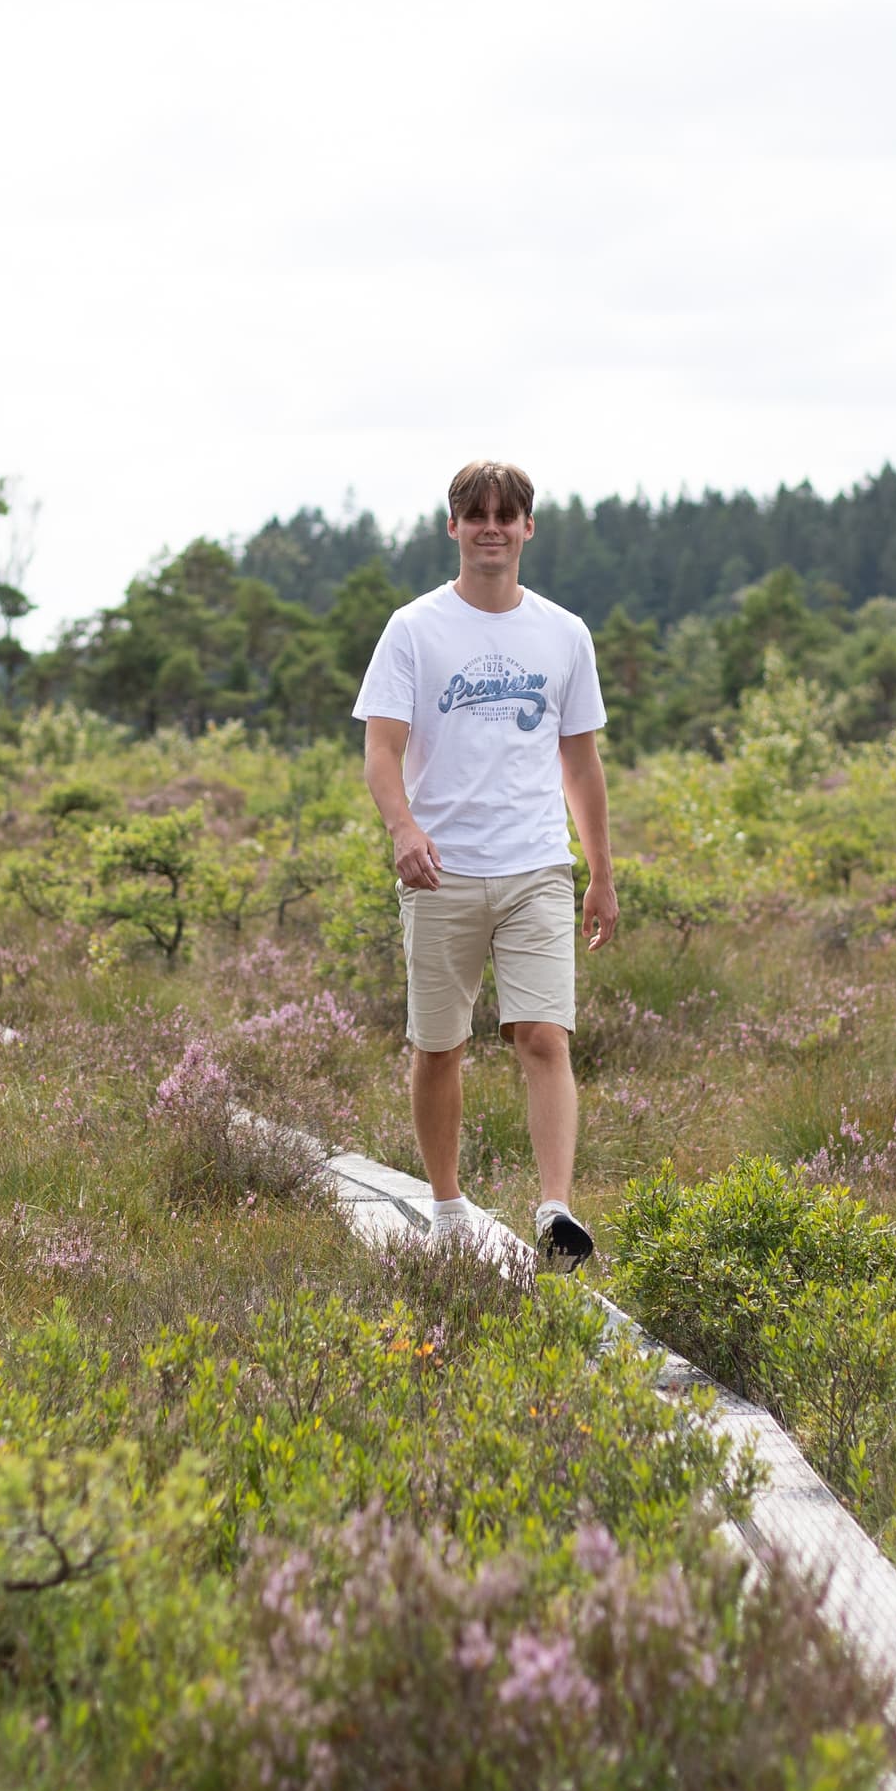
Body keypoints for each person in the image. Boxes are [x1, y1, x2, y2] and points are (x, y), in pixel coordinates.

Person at [352, 459, 617, 1262]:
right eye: (477, 516)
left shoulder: (563, 633)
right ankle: (446, 1205)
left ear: (529, 528)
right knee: (441, 1046)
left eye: (507, 516)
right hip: (442, 872)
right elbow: (381, 749)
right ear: (454, 528)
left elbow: (581, 764)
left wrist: (600, 872)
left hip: (537, 865)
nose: (492, 528)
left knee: (543, 1036)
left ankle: (553, 1211)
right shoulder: (414, 629)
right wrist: (403, 830)